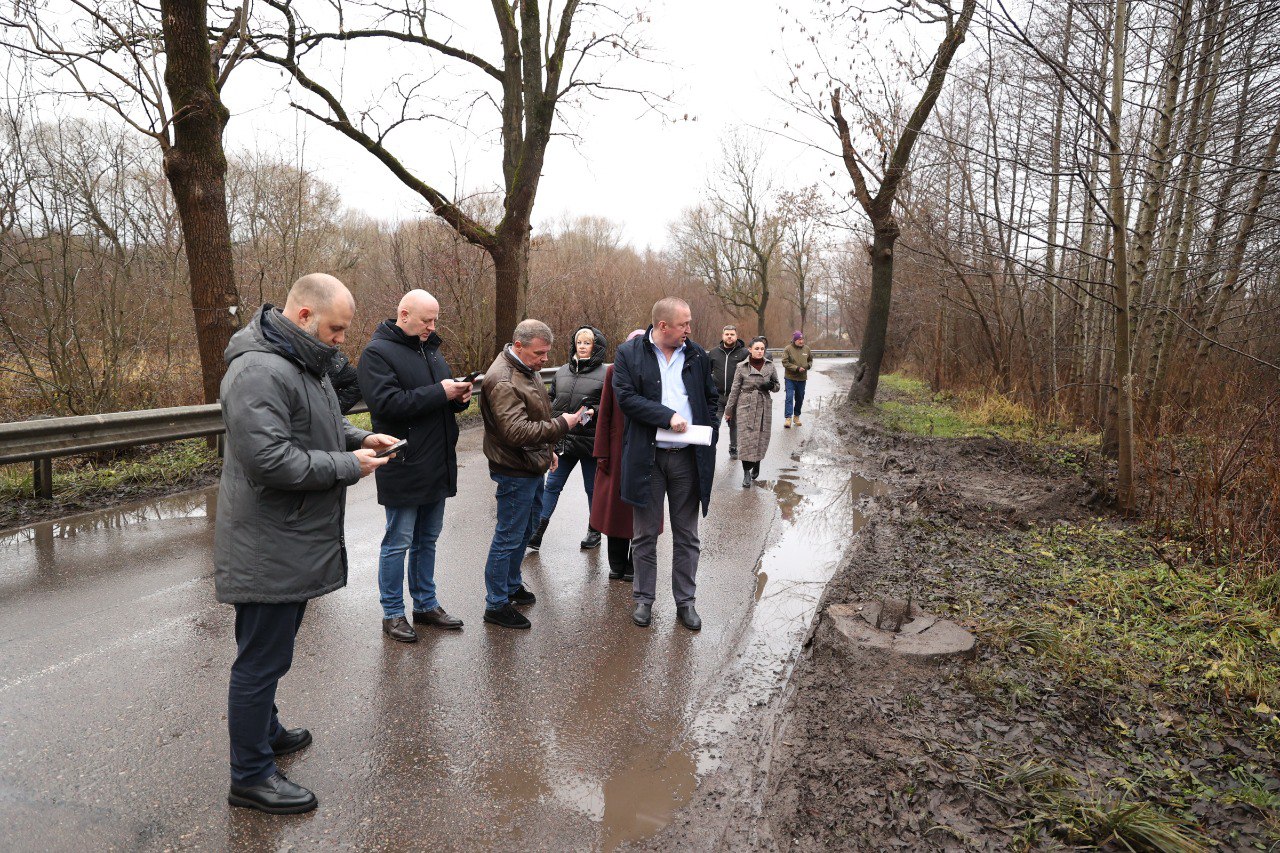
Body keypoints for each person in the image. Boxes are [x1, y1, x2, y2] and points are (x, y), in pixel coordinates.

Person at [215, 274, 398, 814]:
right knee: (259, 661)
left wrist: (361, 437)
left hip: (285, 538)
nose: (343, 339)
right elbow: (269, 460)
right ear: (303, 317)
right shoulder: (258, 370)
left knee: (272, 654)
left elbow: (317, 424)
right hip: (267, 542)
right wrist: (350, 465)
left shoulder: (298, 361)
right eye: (337, 329)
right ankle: (250, 777)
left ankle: (265, 732)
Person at [357, 289, 473, 643]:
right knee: (398, 541)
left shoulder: (431, 350)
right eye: (427, 320)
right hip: (404, 462)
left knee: (428, 539)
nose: (432, 326)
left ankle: (425, 604)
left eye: (435, 319)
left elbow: (437, 399)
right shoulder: (376, 353)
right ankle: (392, 613)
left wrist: (458, 399)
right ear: (404, 314)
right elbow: (387, 405)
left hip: (437, 462)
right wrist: (442, 392)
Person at [613, 297, 718, 631]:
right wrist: (666, 417)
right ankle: (644, 600)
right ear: (663, 326)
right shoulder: (628, 354)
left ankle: (686, 603)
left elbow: (711, 397)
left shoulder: (697, 354)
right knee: (644, 534)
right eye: (684, 324)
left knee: (687, 536)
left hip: (688, 457)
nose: (689, 329)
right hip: (648, 457)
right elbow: (626, 399)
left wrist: (709, 428)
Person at [479, 319, 587, 629]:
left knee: (525, 530)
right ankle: (496, 604)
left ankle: (511, 585)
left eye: (547, 353)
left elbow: (535, 414)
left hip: (531, 462)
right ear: (518, 347)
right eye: (539, 354)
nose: (545, 360)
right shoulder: (502, 380)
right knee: (509, 536)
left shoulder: (527, 370)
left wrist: (548, 449)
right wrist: (563, 425)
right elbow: (515, 431)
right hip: (513, 468)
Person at [527, 325, 607, 552]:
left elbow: (610, 406)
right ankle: (537, 530)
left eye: (587, 343)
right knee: (552, 485)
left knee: (592, 488)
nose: (582, 347)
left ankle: (594, 530)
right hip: (564, 439)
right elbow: (549, 400)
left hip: (591, 442)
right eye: (579, 342)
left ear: (596, 347)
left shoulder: (605, 373)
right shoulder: (562, 372)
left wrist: (595, 411)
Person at [590, 329, 652, 581]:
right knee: (614, 510)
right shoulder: (613, 371)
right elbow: (604, 413)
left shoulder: (654, 371)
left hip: (645, 447)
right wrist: (602, 452)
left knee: (640, 509)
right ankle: (617, 565)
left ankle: (634, 566)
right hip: (616, 451)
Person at [725, 336, 780, 488]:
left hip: (763, 405)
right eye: (757, 348)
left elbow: (777, 386)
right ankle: (746, 473)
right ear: (750, 350)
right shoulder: (741, 367)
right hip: (745, 405)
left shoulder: (770, 366)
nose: (760, 351)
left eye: (762, 349)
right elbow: (734, 390)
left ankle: (757, 462)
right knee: (746, 439)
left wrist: (770, 386)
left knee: (761, 437)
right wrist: (729, 410)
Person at [708, 325, 748, 459]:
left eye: (732, 334)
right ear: (722, 336)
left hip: (736, 396)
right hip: (717, 397)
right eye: (727, 334)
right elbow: (706, 374)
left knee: (734, 424)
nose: (729, 337)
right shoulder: (713, 353)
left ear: (736, 336)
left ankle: (733, 447)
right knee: (714, 423)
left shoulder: (744, 353)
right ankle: (711, 447)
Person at [782, 330, 814, 427]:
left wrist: (808, 366)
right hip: (790, 378)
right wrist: (796, 368)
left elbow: (810, 360)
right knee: (789, 397)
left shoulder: (807, 349)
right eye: (799, 339)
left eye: (802, 339)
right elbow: (785, 362)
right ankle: (788, 419)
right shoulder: (788, 349)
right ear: (795, 340)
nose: (801, 341)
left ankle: (796, 417)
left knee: (799, 398)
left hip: (802, 379)